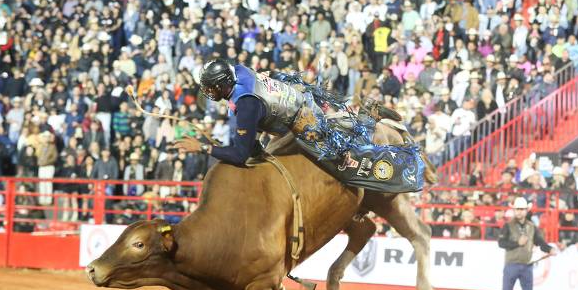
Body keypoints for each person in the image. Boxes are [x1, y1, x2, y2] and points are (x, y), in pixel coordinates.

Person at [173, 59, 428, 193]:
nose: (207, 91)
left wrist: (204, 148)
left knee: (344, 164)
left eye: (210, 87)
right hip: (295, 95)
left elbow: (240, 154)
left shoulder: (246, 105)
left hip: (302, 119)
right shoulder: (240, 71)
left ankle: (381, 135)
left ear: (221, 85)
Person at [496, 197, 556, 290]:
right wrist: (517, 243)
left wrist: (549, 249)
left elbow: (540, 242)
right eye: (518, 209)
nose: (520, 212)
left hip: (526, 266)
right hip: (512, 265)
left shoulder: (531, 227)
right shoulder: (508, 226)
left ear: (526, 210)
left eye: (522, 209)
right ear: (514, 210)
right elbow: (501, 243)